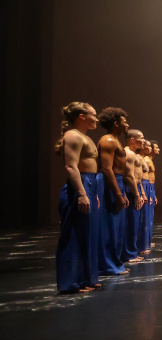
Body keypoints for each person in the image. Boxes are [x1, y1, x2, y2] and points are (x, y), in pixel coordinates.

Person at [54, 102, 101, 294]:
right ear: (82, 116)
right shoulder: (73, 135)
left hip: (89, 184)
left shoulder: (84, 137)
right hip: (79, 186)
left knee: (86, 235)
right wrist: (82, 193)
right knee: (73, 235)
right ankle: (70, 283)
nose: (96, 119)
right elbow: (71, 167)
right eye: (93, 115)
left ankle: (85, 278)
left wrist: (93, 193)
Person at [95, 107, 130, 276]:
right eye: (124, 122)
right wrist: (117, 193)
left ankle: (114, 262)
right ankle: (107, 265)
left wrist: (122, 192)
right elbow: (106, 169)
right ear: (116, 123)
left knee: (117, 226)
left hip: (118, 181)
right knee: (109, 225)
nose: (127, 125)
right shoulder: (108, 140)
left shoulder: (116, 140)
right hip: (111, 182)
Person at [119, 129, 146, 263]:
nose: (144, 140)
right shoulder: (128, 153)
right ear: (132, 140)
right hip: (130, 191)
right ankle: (128, 254)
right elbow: (129, 176)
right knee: (130, 223)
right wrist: (136, 195)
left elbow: (138, 175)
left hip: (135, 189)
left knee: (135, 223)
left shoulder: (134, 154)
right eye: (141, 137)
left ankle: (132, 252)